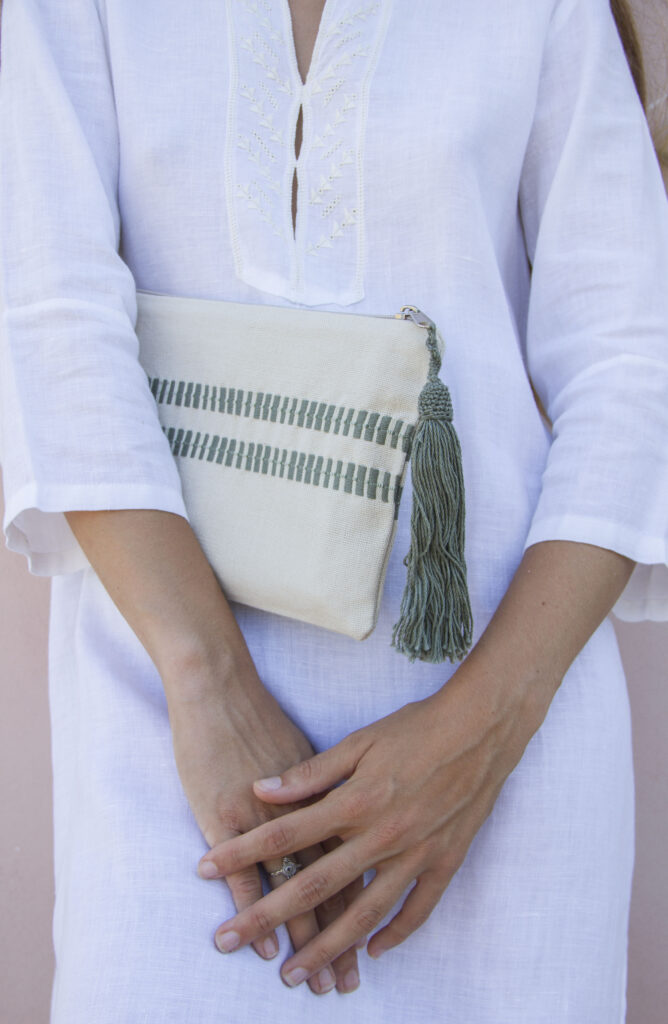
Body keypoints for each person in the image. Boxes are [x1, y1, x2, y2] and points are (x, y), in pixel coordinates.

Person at [1, 0, 667, 1021]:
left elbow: (632, 357)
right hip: (171, 732)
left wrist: (480, 734)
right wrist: (210, 686)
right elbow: (47, 314)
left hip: (503, 745)